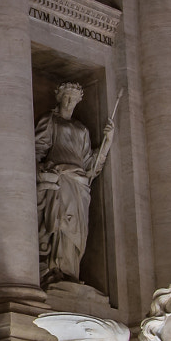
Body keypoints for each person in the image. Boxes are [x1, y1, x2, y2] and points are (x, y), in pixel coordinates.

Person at [34, 82, 112, 284]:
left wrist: (107, 142)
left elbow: (91, 165)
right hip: (60, 180)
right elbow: (37, 150)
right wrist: (41, 171)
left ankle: (70, 272)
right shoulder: (50, 121)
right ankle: (54, 269)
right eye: (67, 97)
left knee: (76, 230)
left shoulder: (82, 130)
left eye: (74, 99)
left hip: (79, 185)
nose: (70, 102)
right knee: (60, 224)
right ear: (59, 98)